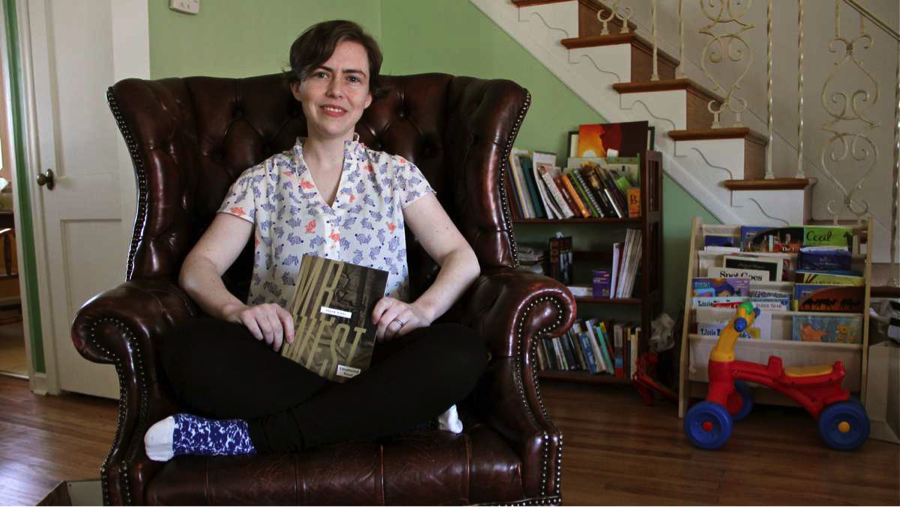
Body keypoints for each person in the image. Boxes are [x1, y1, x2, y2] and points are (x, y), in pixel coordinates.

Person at [144, 20, 487, 461]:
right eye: (321, 74)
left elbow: (462, 257)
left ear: (367, 97)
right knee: (187, 347)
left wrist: (421, 310)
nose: (336, 90)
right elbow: (198, 268)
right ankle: (397, 414)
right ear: (298, 86)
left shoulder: (396, 174)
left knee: (460, 351)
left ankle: (249, 438)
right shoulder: (261, 180)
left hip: (382, 357)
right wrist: (237, 310)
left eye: (353, 78)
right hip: (281, 361)